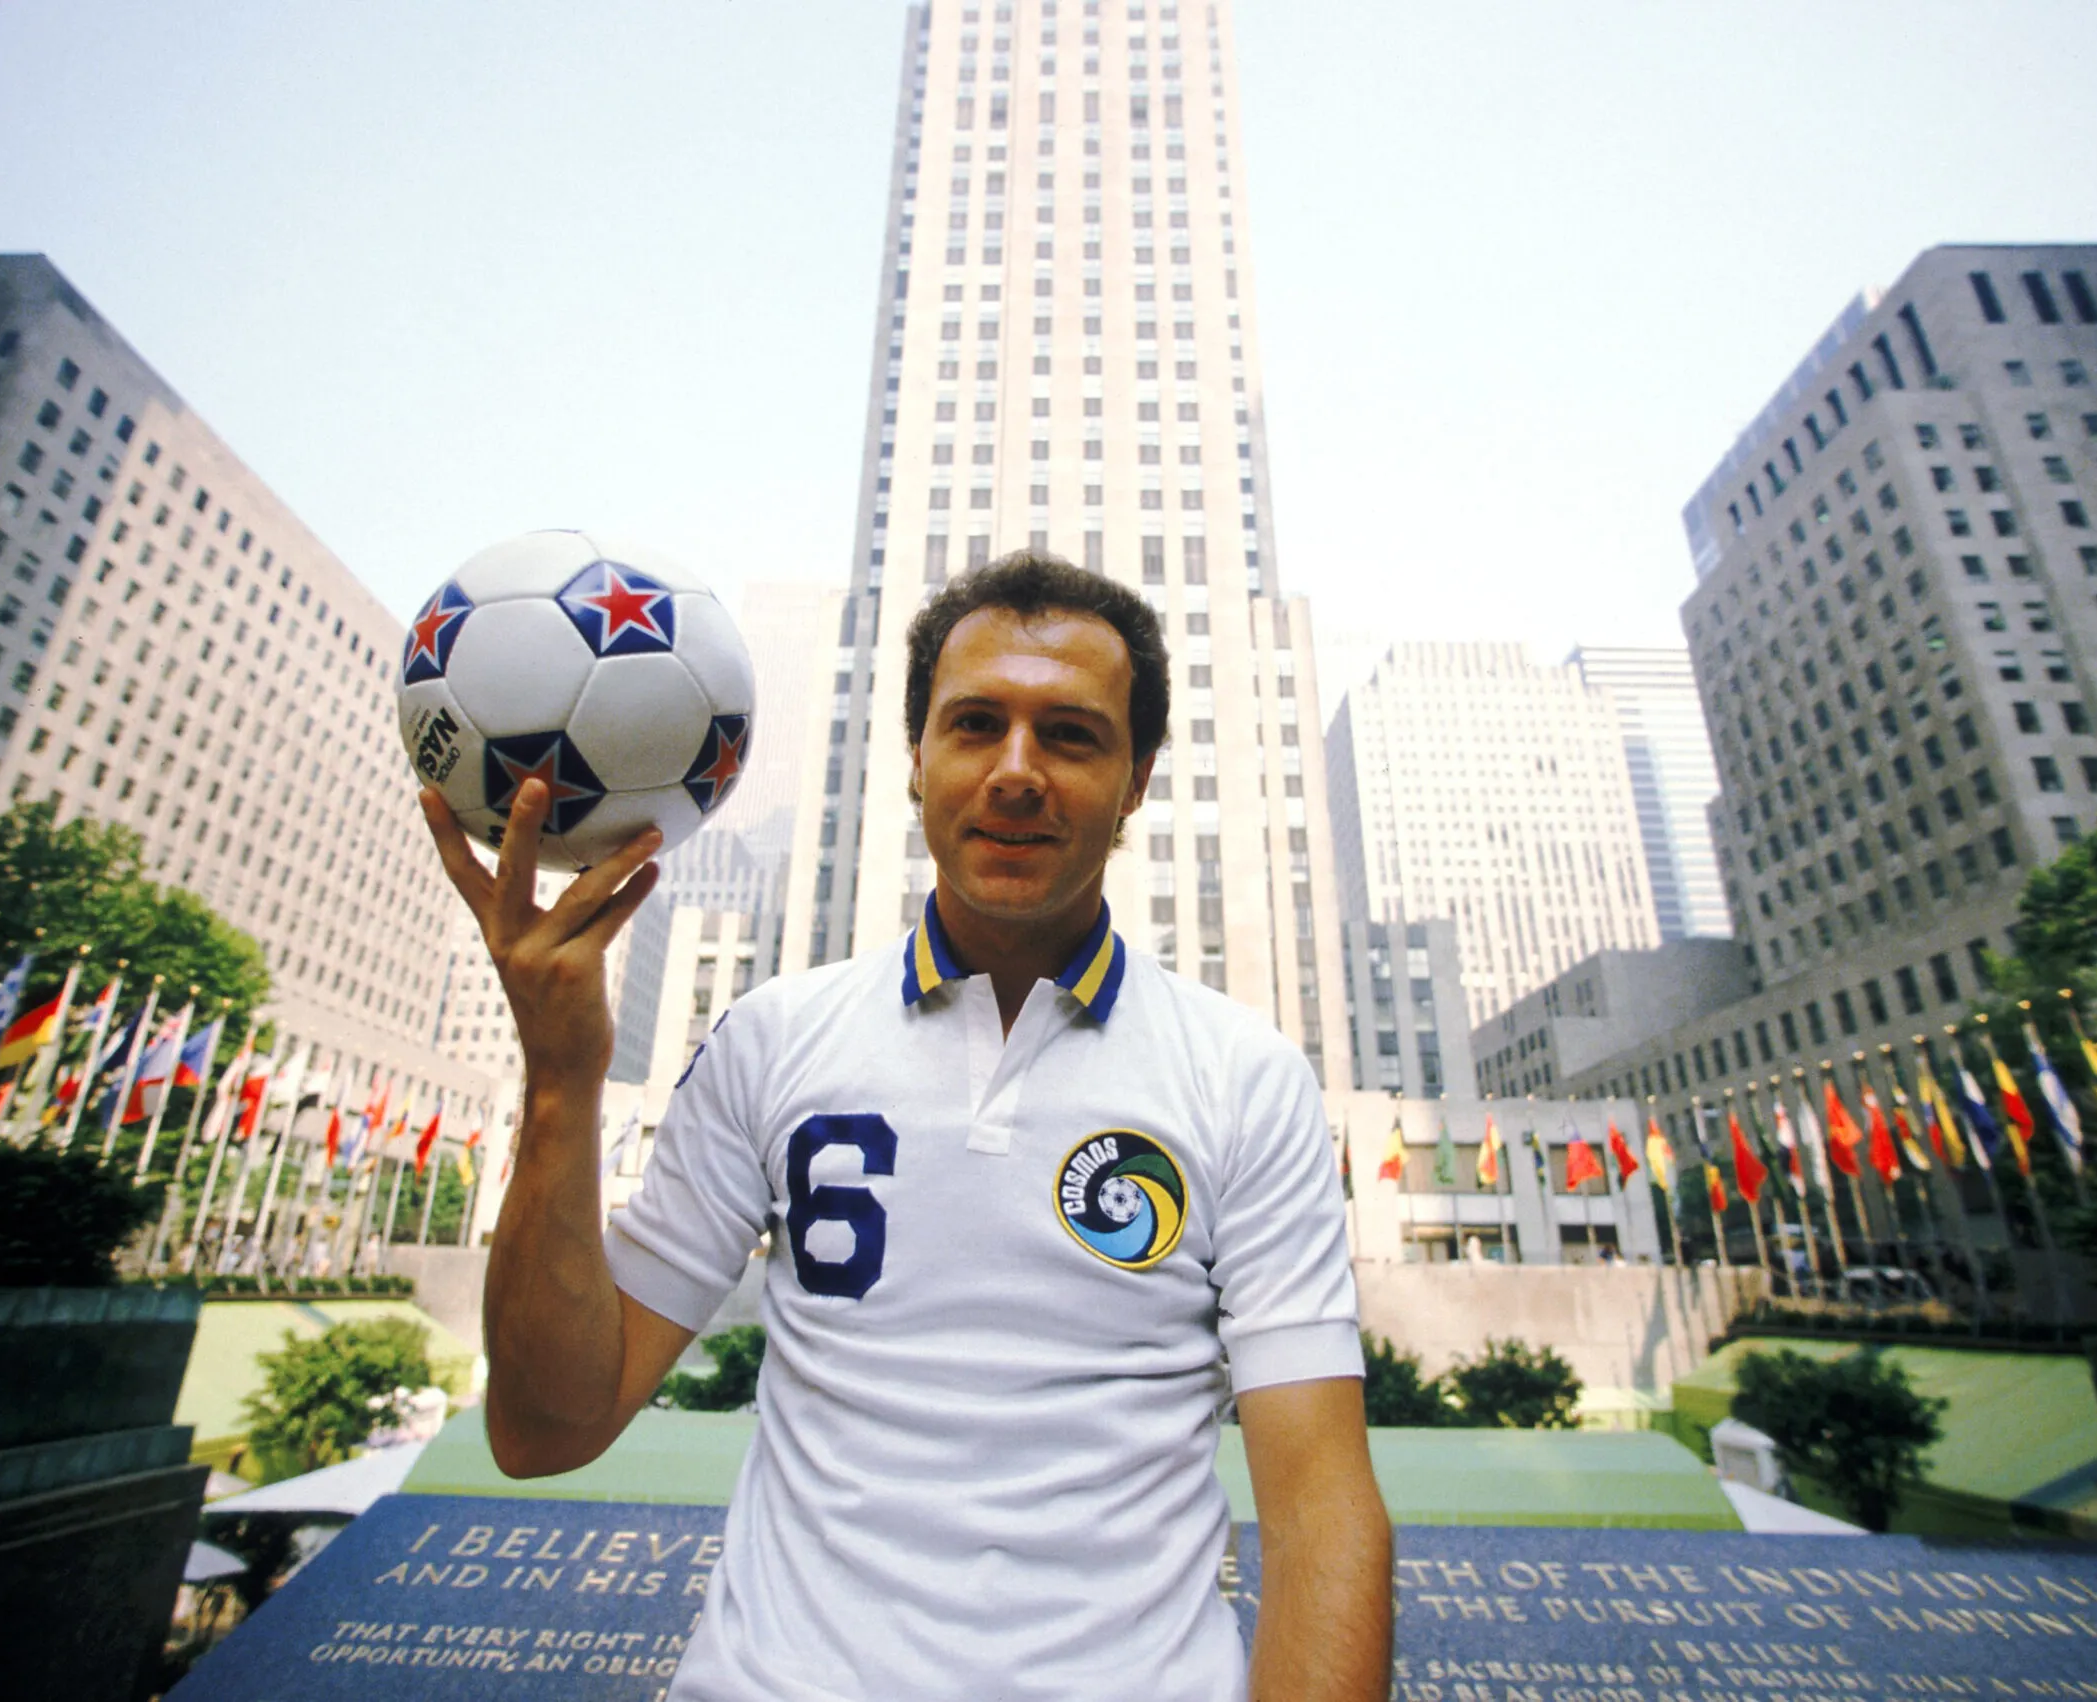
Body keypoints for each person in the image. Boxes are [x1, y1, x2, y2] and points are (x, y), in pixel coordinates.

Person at [422, 551, 1390, 1701]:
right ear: (917, 758)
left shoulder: (1247, 1079)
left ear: (1135, 782)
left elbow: (1322, 1507)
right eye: (975, 724)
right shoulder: (770, 1038)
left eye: (1071, 736)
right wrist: (558, 1078)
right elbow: (544, 1429)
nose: (1016, 772)